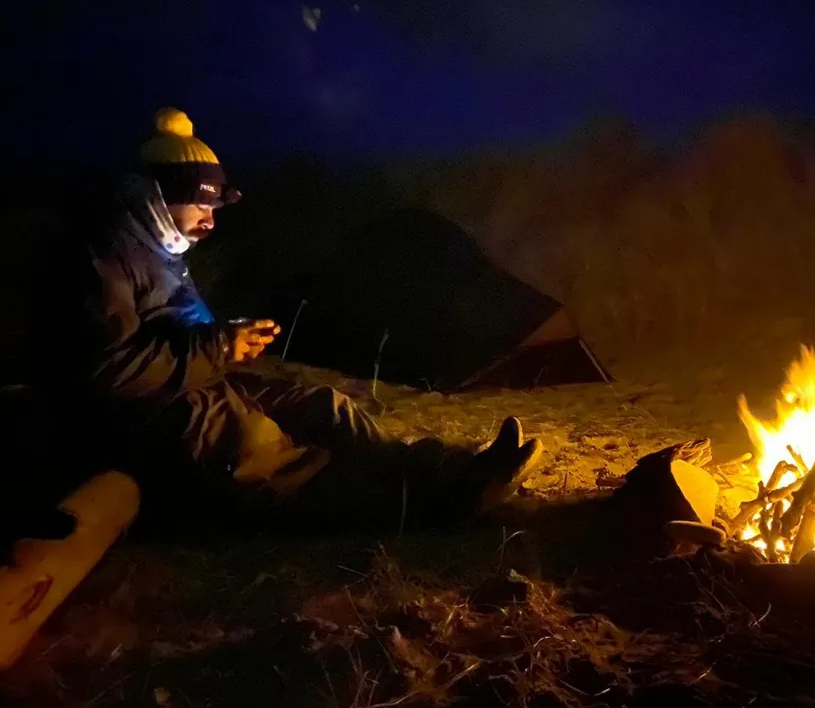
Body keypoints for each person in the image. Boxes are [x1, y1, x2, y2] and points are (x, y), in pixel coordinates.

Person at [62, 107, 544, 535]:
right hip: (146, 414)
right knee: (262, 446)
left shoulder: (158, 247)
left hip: (196, 380)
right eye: (200, 203)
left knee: (323, 405)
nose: (210, 219)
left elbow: (171, 327)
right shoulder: (105, 254)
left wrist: (229, 337)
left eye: (213, 205)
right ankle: (439, 503)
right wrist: (218, 348)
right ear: (155, 196)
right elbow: (108, 369)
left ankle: (451, 470)